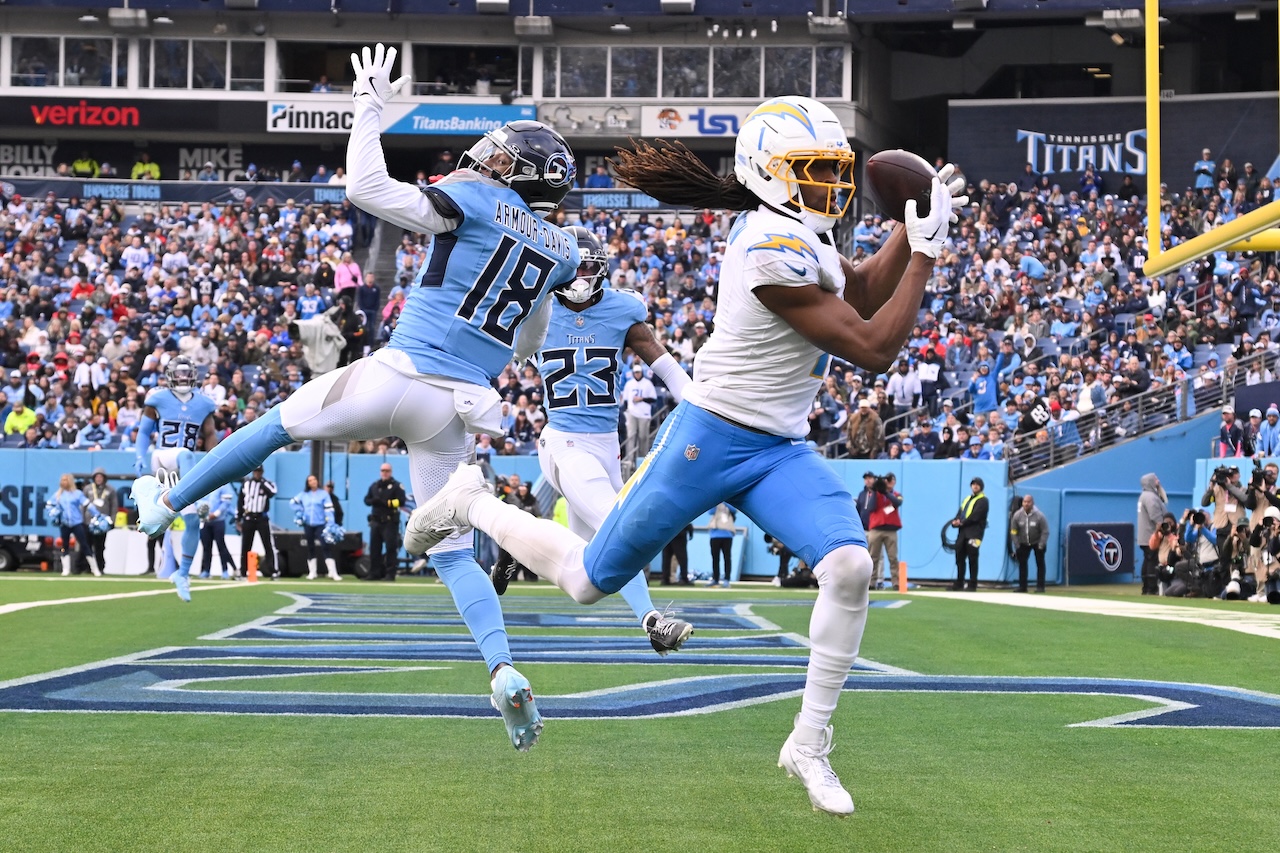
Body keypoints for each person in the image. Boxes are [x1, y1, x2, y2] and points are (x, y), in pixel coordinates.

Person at [402, 95, 965, 812]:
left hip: (778, 448)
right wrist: (926, 250)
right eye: (813, 169)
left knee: (851, 566)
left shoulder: (801, 231)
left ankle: (809, 742)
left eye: (834, 167)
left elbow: (858, 286)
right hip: (711, 436)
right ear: (769, 173)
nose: (831, 183)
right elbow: (873, 345)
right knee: (586, 579)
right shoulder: (767, 243)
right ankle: (471, 501)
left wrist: (909, 227)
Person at [132, 43, 580, 753]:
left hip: (399, 373)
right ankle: (502, 667)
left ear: (516, 173)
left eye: (500, 158)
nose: (487, 159)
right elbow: (528, 344)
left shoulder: (473, 197)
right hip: (457, 407)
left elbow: (366, 187)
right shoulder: (560, 248)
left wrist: (369, 104)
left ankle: (166, 504)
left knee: (274, 426)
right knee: (453, 551)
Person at [497, 226, 694, 653]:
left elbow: (664, 365)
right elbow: (492, 352)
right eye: (575, 266)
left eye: (589, 266)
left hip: (606, 443)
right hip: (563, 439)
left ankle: (518, 541)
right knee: (617, 524)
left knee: (589, 579)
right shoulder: (535, 312)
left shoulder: (622, 309)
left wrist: (697, 403)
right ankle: (652, 621)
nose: (582, 275)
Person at [136, 356, 219, 601]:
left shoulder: (204, 403)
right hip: (162, 457)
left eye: (187, 373)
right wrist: (140, 455)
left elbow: (211, 434)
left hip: (185, 469)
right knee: (184, 454)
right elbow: (143, 431)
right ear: (170, 375)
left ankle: (182, 574)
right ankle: (202, 496)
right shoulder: (158, 397)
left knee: (193, 522)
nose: (183, 378)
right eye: (179, 373)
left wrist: (215, 457)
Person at [50, 474, 102, 576]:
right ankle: (66, 569)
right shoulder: (58, 494)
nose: (63, 482)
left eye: (65, 480)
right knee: (64, 545)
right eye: (62, 480)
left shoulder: (77, 494)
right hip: (64, 523)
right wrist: (53, 513)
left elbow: (88, 504)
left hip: (77, 523)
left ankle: (94, 569)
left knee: (85, 544)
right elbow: (49, 505)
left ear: (70, 481)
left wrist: (97, 515)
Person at [292, 474, 341, 580]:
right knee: (310, 547)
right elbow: (292, 502)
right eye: (310, 480)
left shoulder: (323, 494)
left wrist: (331, 523)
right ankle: (312, 572)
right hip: (308, 524)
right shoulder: (304, 494)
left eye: (314, 479)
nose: (313, 481)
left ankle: (333, 572)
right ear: (308, 483)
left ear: (317, 481)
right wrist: (301, 511)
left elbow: (329, 509)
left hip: (320, 524)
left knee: (325, 546)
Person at [364, 462, 407, 581]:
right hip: (376, 521)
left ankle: (390, 573)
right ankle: (374, 572)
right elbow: (366, 500)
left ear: (391, 472)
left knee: (390, 548)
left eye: (387, 471)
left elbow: (401, 501)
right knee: (374, 549)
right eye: (383, 470)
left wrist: (387, 503)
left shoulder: (397, 486)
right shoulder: (375, 486)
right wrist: (373, 501)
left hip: (389, 521)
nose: (385, 473)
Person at [238, 467, 279, 580]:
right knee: (245, 545)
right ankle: (243, 572)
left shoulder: (266, 483)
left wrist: (262, 482)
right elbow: (240, 501)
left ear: (262, 472)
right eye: (255, 471)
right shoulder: (246, 484)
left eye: (259, 472)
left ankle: (273, 571)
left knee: (267, 545)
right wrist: (238, 518)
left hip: (262, 517)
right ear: (252, 472)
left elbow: (273, 492)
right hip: (248, 517)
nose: (257, 473)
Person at [866, 473, 902, 590]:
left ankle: (895, 582)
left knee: (893, 558)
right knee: (873, 557)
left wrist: (885, 492)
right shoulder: (875, 494)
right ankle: (871, 582)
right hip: (876, 529)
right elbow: (871, 508)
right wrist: (877, 491)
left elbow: (897, 503)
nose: (888, 482)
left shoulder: (896, 494)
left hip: (891, 529)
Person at [951, 477, 988, 591]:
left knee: (973, 558)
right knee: (959, 558)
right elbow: (961, 512)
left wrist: (961, 522)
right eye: (973, 484)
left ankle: (972, 584)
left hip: (975, 533)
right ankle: (959, 582)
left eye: (977, 484)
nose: (975, 486)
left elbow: (975, 516)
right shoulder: (967, 499)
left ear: (981, 487)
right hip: (963, 533)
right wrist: (956, 520)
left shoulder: (983, 500)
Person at [1136, 472, 1168, 595]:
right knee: (1152, 560)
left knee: (1147, 559)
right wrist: (1163, 529)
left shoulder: (1144, 496)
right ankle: (1151, 587)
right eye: (1155, 479)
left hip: (1144, 536)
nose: (1158, 481)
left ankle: (1146, 587)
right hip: (1151, 535)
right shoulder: (1151, 497)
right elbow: (1156, 517)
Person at [196, 483, 237, 579]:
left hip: (218, 520)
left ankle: (224, 570)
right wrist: (203, 512)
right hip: (205, 520)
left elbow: (226, 503)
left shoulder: (224, 484)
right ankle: (206, 570)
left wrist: (215, 514)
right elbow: (199, 500)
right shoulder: (205, 483)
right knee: (206, 547)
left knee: (221, 546)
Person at [1009, 494, 1049, 592]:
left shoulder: (1040, 516)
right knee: (1022, 564)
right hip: (1023, 542)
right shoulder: (1017, 515)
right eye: (1024, 502)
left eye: (1028, 502)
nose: (1026, 504)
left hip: (1037, 542)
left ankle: (1040, 587)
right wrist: (1017, 544)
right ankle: (1023, 587)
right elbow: (1013, 531)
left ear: (1032, 503)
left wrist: (1041, 544)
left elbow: (1045, 531)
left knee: (1040, 563)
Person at [84, 469, 118, 575]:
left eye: (100, 477)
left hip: (103, 523)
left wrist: (112, 520)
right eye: (97, 477)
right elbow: (83, 505)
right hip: (89, 521)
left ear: (104, 478)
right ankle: (87, 567)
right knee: (87, 545)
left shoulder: (110, 490)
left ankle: (100, 566)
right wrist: (82, 519)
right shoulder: (88, 489)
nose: (99, 479)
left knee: (100, 546)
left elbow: (114, 506)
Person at [621, 362, 657, 463]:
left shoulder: (647, 383)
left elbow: (653, 399)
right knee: (631, 436)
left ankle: (643, 459)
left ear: (642, 373)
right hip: (632, 412)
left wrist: (641, 399)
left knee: (643, 437)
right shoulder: (629, 384)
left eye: (639, 372)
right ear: (633, 373)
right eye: (636, 372)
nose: (637, 374)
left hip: (644, 413)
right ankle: (630, 460)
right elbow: (626, 400)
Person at [706, 502, 737, 587]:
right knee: (715, 558)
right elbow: (710, 512)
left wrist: (725, 501)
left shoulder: (729, 505)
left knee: (727, 557)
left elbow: (734, 510)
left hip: (727, 535)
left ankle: (727, 579)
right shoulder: (715, 504)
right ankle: (715, 579)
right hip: (715, 534)